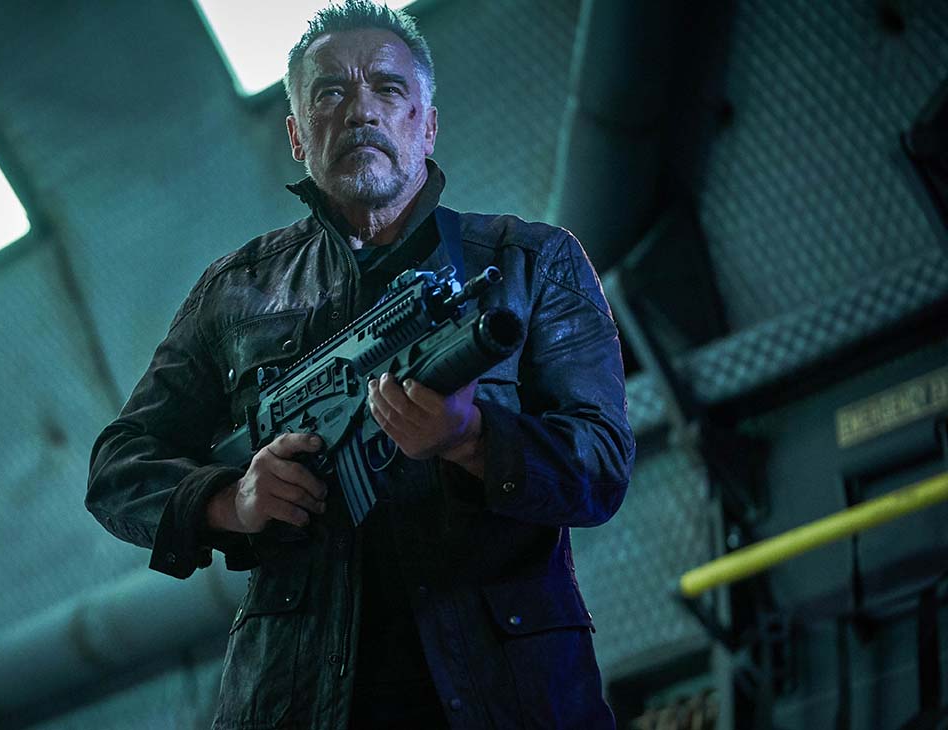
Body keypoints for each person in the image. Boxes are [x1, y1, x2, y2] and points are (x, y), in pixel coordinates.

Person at [86, 2, 634, 728]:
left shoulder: (531, 263)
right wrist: (232, 501)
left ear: (427, 125)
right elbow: (118, 470)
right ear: (296, 136)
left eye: (388, 88)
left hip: (514, 698)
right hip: (293, 702)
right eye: (330, 93)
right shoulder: (235, 293)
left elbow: (601, 466)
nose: (361, 111)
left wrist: (471, 440)